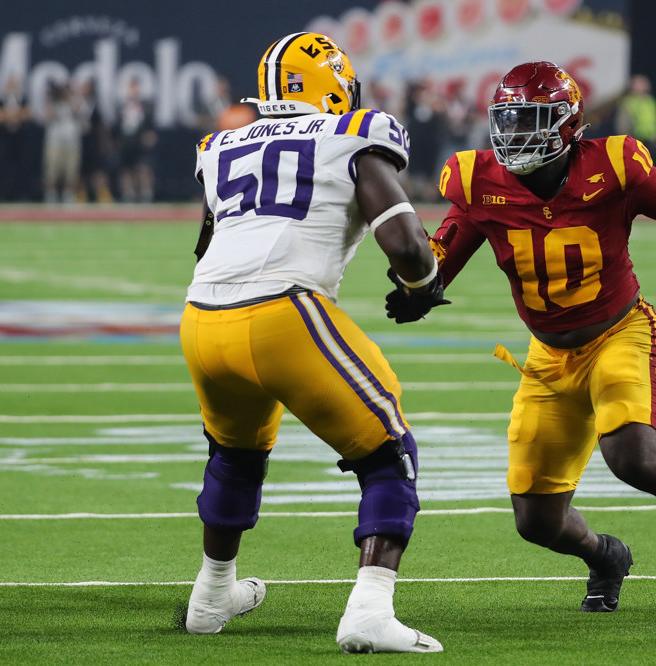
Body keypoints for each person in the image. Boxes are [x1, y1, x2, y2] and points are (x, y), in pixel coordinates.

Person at [388, 61, 656, 611]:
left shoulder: (613, 167)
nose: (514, 134)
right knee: (536, 521)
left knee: (633, 456)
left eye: (529, 120)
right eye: (507, 120)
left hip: (619, 333)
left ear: (565, 124)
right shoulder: (479, 182)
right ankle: (605, 556)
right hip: (548, 357)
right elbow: (446, 255)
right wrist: (421, 289)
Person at [180, 32, 445, 653]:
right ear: (331, 83)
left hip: (201, 317)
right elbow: (407, 245)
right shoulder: (354, 134)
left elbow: (206, 242)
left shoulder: (220, 146)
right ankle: (370, 610)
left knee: (235, 455)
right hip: (282, 313)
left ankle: (212, 595)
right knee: (388, 453)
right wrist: (422, 286)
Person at [614, 74, 656, 165]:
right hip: (636, 141)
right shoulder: (629, 102)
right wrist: (627, 141)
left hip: (651, 141)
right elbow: (623, 123)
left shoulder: (650, 101)